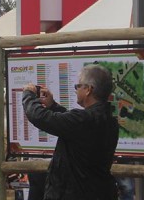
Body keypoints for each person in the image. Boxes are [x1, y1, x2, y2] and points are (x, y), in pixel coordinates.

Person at [22, 65, 119, 200]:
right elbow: (73, 125)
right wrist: (53, 106)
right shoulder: (109, 121)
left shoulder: (83, 120)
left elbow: (39, 117)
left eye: (78, 86)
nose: (75, 90)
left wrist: (28, 95)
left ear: (88, 89)